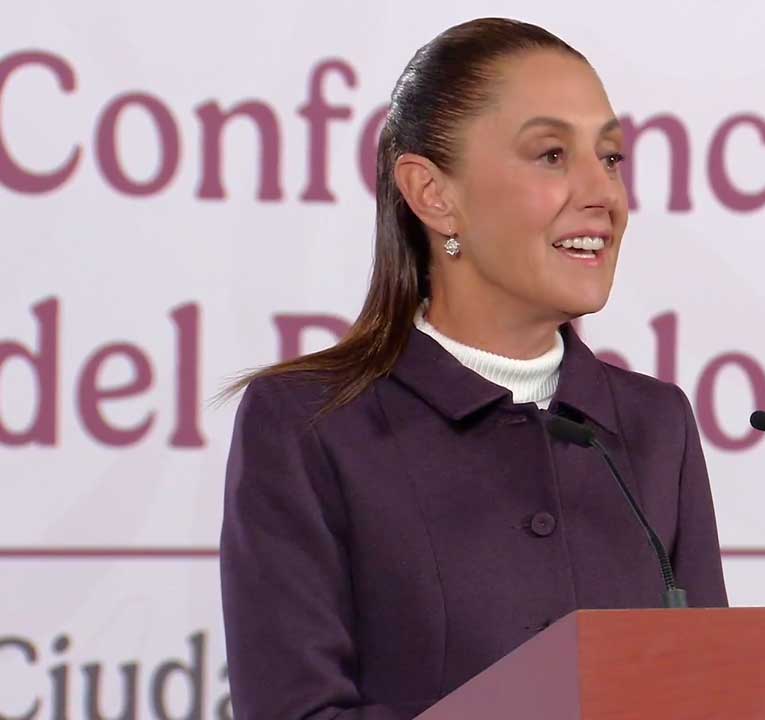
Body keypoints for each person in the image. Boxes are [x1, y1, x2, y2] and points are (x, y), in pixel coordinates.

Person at [218, 18, 728, 719]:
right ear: (432, 193)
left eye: (610, 158)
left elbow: (710, 692)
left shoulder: (654, 424)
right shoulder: (309, 422)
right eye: (552, 155)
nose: (603, 194)